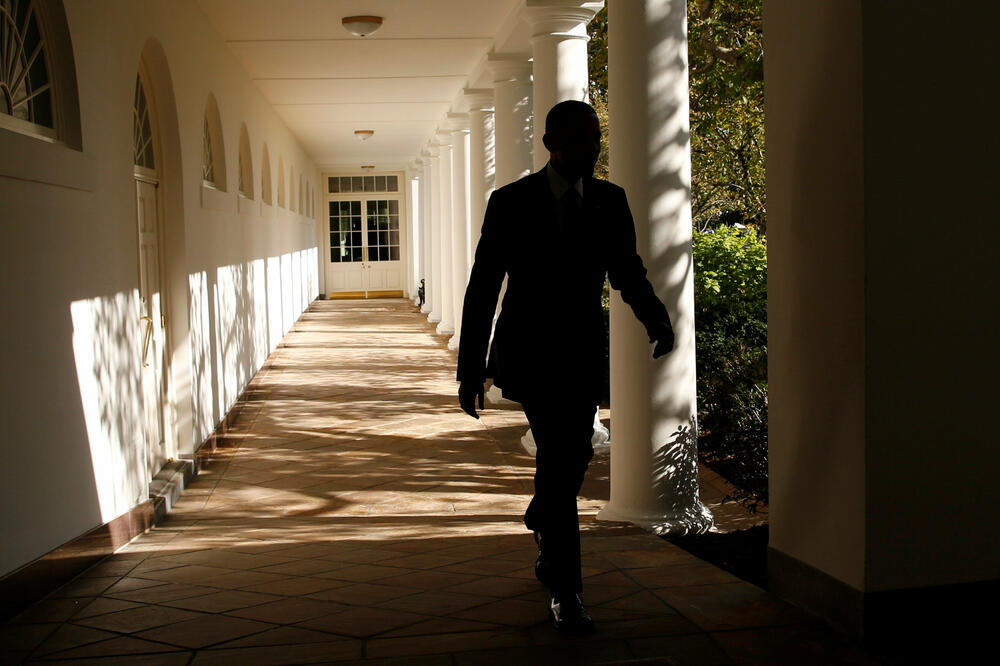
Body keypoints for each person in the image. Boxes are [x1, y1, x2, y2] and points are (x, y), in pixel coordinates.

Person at [456, 100, 675, 635]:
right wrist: (470, 368)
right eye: (579, 137)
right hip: (530, 353)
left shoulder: (609, 200)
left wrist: (657, 319)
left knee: (573, 455)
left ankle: (541, 517)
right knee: (559, 458)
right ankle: (567, 590)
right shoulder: (511, 202)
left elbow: (627, 270)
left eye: (595, 137)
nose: (591, 147)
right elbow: (484, 284)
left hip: (580, 352)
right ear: (552, 142)